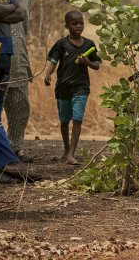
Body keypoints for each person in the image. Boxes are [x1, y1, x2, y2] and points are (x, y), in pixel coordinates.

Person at [0, 0, 32, 182]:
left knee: (5, 102)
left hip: (9, 51)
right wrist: (7, 12)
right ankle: (6, 160)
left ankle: (6, 156)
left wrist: (1, 13)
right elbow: (12, 11)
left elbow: (20, 13)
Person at [44, 10, 101, 165]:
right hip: (63, 87)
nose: (78, 26)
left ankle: (71, 155)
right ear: (67, 25)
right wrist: (48, 75)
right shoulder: (61, 44)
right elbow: (53, 62)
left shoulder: (89, 44)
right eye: (74, 23)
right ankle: (66, 149)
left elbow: (97, 65)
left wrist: (87, 62)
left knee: (77, 119)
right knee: (64, 121)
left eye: (81, 23)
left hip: (81, 87)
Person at [3, 0, 34, 162]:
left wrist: (27, 58)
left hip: (20, 54)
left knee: (21, 105)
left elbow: (25, 27)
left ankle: (16, 146)